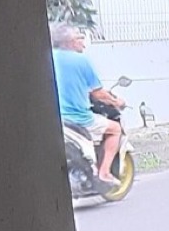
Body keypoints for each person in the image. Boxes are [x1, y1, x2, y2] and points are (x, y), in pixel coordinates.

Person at [49, 22, 124, 189]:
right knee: (115, 129)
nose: (83, 42)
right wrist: (117, 102)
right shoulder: (81, 60)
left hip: (55, 118)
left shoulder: (49, 56)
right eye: (79, 38)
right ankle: (104, 173)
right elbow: (98, 94)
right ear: (69, 42)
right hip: (78, 119)